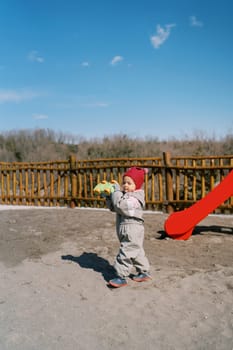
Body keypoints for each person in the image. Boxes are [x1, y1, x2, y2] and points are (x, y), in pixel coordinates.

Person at [106, 166, 151, 288]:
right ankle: (144, 271)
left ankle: (121, 277)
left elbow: (120, 205)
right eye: (124, 182)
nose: (125, 185)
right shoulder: (124, 195)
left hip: (133, 229)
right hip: (125, 228)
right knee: (136, 251)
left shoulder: (135, 198)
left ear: (137, 185)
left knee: (126, 251)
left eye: (129, 183)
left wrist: (116, 192)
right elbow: (114, 207)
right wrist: (109, 196)